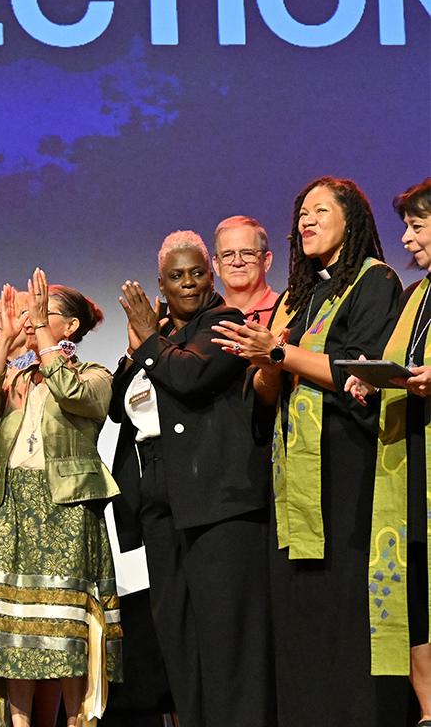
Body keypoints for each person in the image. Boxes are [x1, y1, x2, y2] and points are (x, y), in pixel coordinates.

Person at [212, 176, 403, 725]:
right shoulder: (302, 295)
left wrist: (279, 350)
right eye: (301, 214)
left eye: (320, 211)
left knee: (343, 609)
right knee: (299, 616)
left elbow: (359, 373)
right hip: (292, 478)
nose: (306, 221)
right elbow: (271, 387)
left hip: (347, 468)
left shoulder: (375, 281)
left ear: (353, 221)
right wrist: (265, 364)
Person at [109, 231, 273, 727]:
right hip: (163, 503)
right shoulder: (157, 336)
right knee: (179, 637)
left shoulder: (227, 323)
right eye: (176, 276)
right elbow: (120, 406)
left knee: (227, 639)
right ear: (161, 283)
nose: (188, 284)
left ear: (212, 276)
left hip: (218, 501)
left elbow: (190, 379)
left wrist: (149, 342)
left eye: (197, 273)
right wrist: (146, 342)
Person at [0, 272, 121, 727]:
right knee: (17, 628)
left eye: (44, 313)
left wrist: (43, 346)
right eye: (31, 313)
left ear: (70, 327)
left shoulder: (94, 374)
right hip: (12, 505)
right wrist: (6, 342)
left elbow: (75, 396)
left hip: (65, 507)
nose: (33, 321)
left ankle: (78, 721)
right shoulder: (19, 377)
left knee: (66, 628)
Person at [345, 176, 431, 724]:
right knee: (416, 589)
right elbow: (401, 359)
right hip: (412, 458)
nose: (405, 239)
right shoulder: (418, 294)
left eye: (417, 226)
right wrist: (375, 381)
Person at [212, 216, 280, 325]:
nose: (237, 262)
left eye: (248, 253)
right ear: (216, 265)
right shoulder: (207, 319)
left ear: (266, 261)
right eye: (227, 255)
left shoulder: (287, 313)